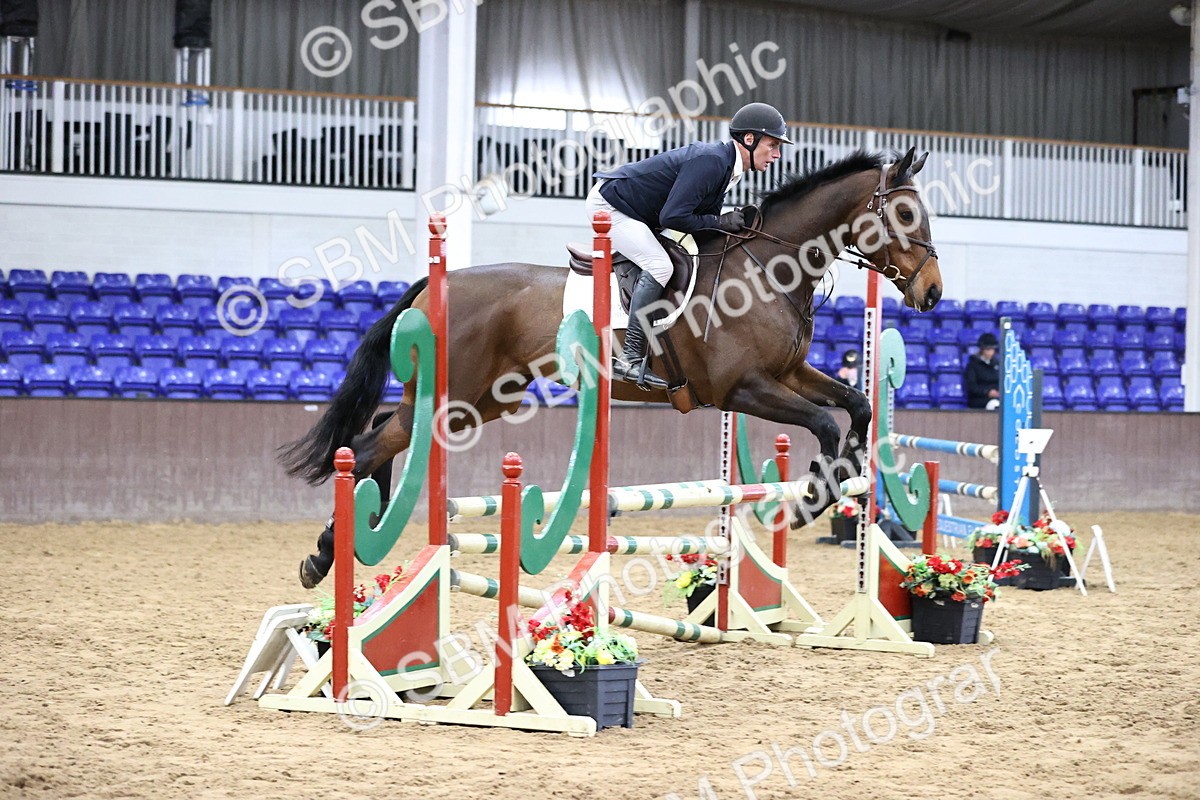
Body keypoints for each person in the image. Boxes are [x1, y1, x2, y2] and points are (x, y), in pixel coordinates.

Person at [585, 102, 791, 389]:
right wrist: (720, 222)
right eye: (773, 145)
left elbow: (702, 227)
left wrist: (737, 230)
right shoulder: (713, 162)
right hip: (611, 206)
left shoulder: (729, 168)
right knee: (660, 265)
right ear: (749, 139)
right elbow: (673, 217)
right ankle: (630, 357)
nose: (777, 155)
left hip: (641, 212)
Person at [964, 332, 1001, 409]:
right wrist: (987, 392)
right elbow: (971, 386)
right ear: (982, 349)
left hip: (997, 397)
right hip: (979, 399)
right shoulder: (973, 365)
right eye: (988, 349)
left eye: (992, 349)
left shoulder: (997, 364)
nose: (990, 353)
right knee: (995, 404)